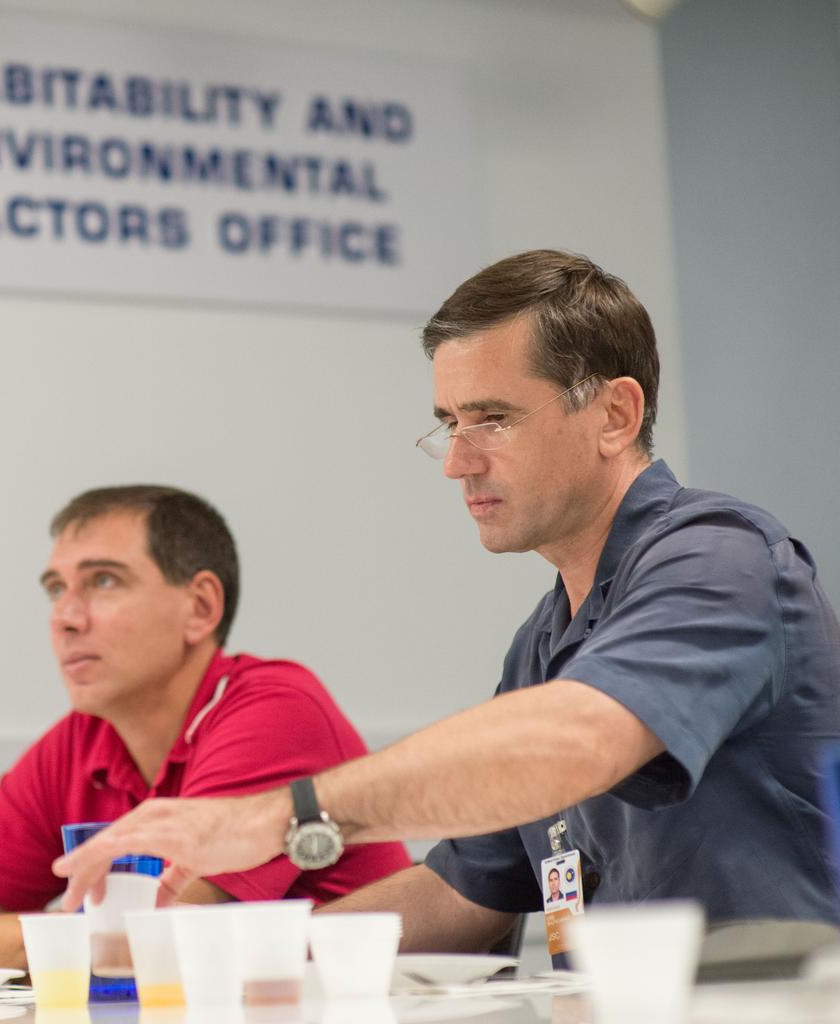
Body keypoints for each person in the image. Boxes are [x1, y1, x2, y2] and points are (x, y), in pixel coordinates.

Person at [54, 252, 840, 967]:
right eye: (448, 424)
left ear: (614, 416)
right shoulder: (543, 643)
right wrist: (219, 950)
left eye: (492, 419)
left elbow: (578, 738)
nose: (458, 463)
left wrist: (278, 818)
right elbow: (459, 895)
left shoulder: (721, 557)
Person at [0, 485, 411, 969]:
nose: (66, 616)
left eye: (103, 581)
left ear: (200, 607)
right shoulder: (78, 742)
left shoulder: (276, 711)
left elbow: (160, 942)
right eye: (55, 588)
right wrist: (68, 938)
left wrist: (60, 942)